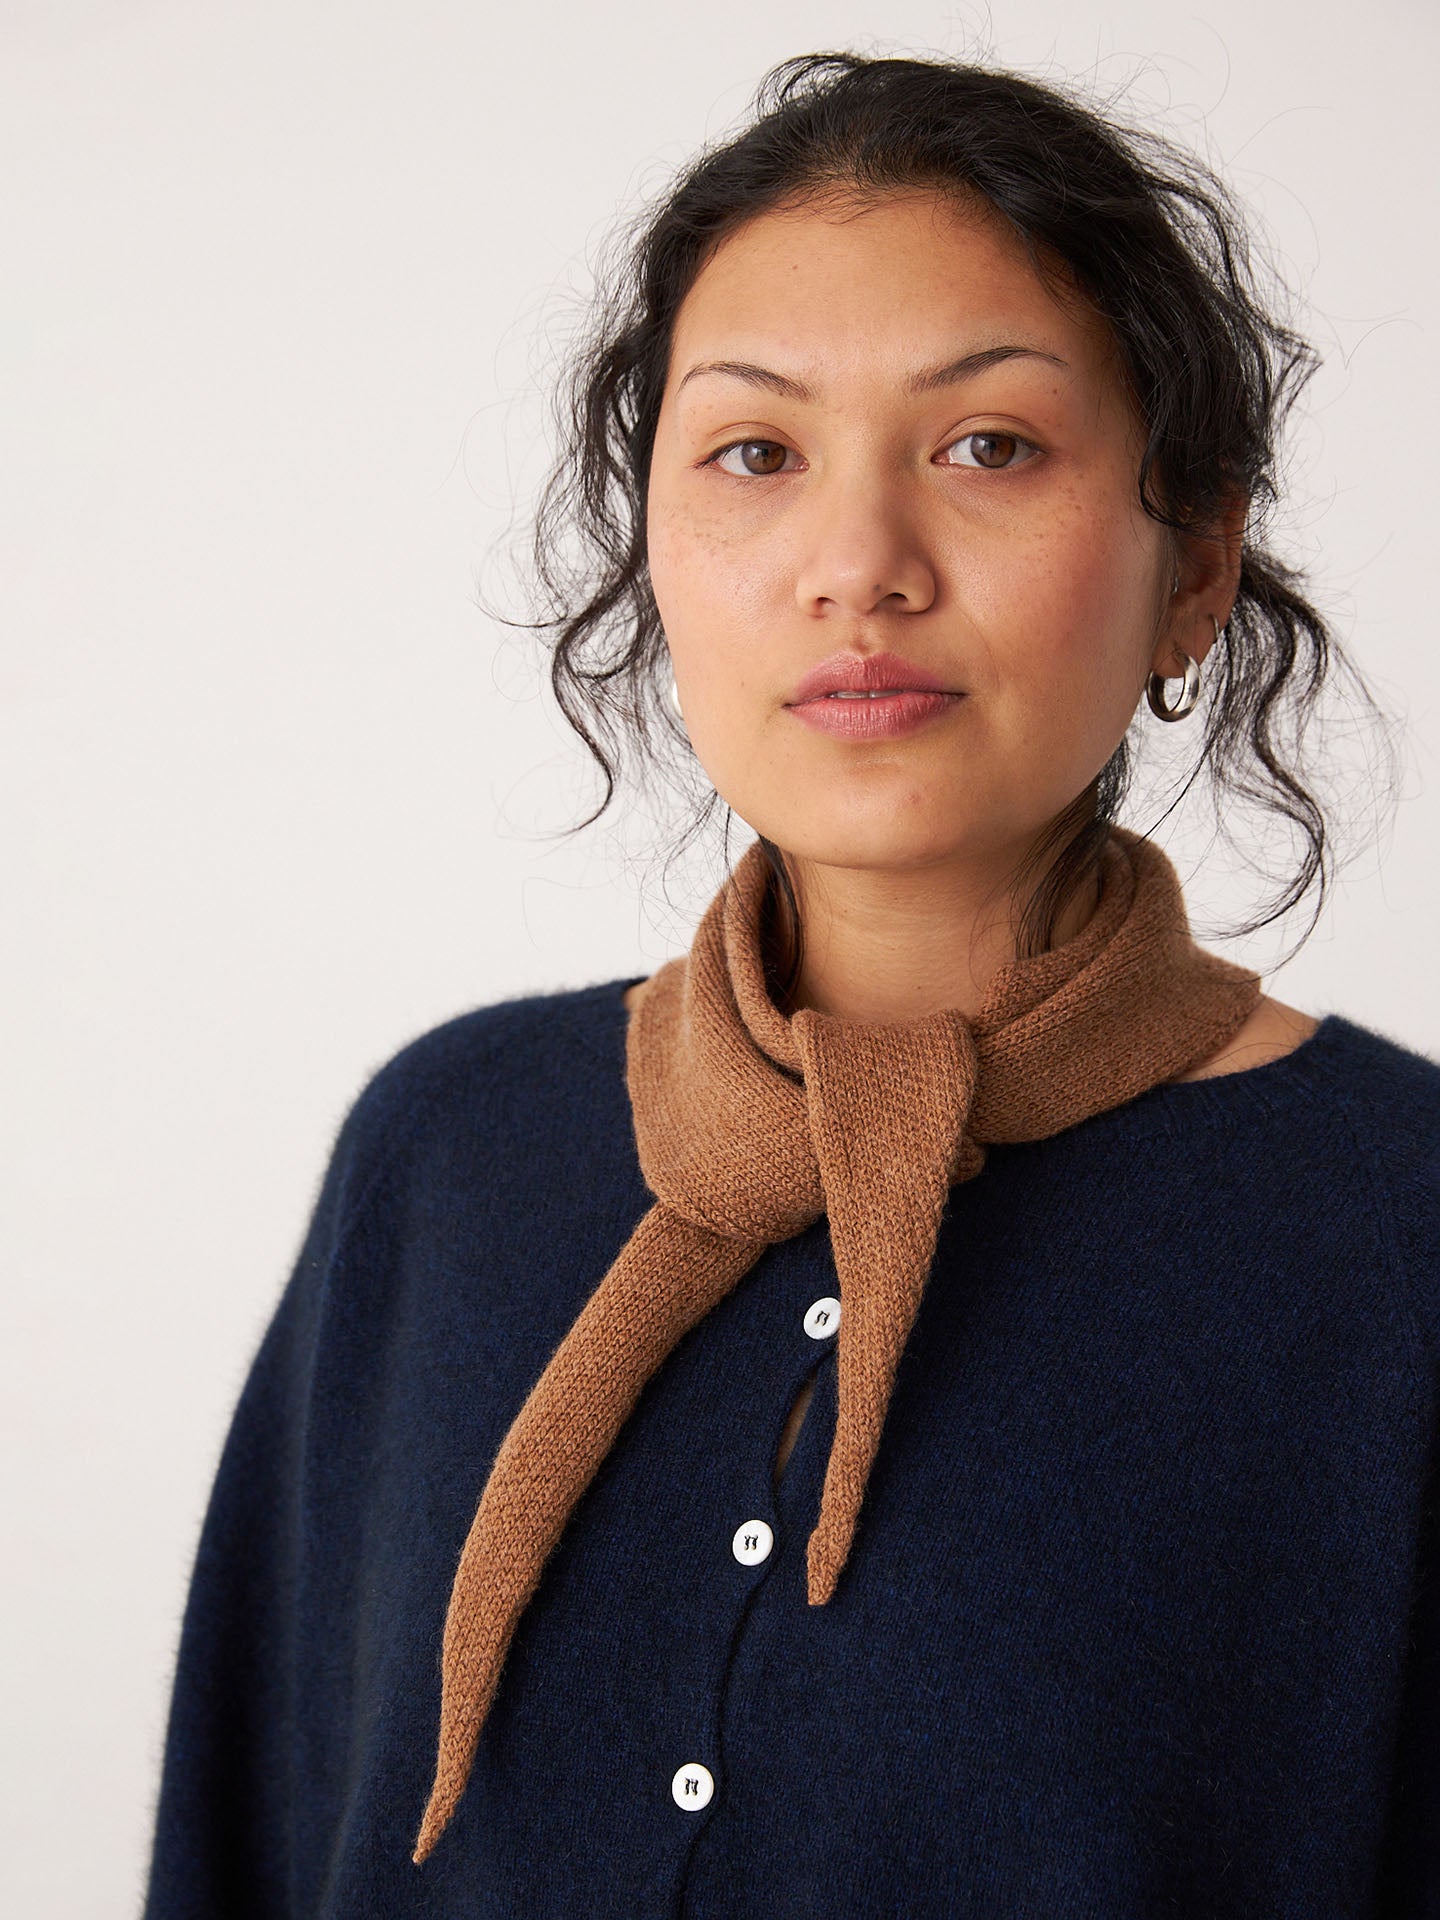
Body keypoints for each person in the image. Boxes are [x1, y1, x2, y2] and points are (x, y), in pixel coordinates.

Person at [141, 52, 1439, 1919]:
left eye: (990, 446)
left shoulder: (1396, 1225)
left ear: (1195, 564)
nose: (857, 566)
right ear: (656, 544)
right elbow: (246, 1844)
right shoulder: (448, 1149)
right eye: (755, 452)